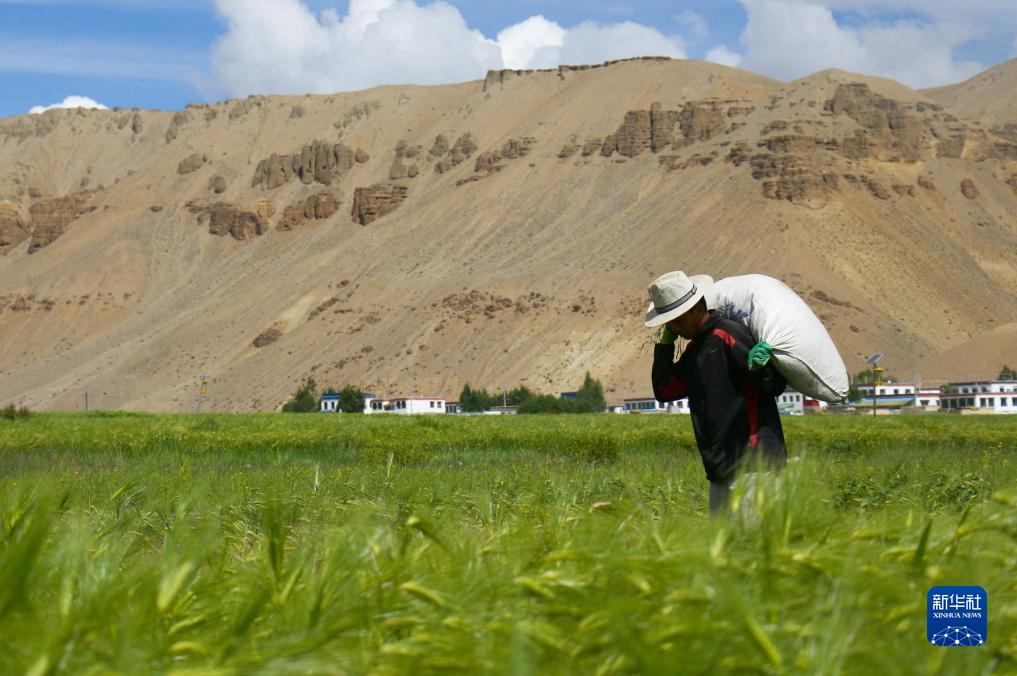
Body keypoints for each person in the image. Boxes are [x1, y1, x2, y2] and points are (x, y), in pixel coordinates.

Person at [645, 271, 787, 514]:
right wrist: (665, 346)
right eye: (669, 324)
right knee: (725, 539)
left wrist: (759, 369)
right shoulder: (695, 350)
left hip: (755, 465)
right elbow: (664, 390)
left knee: (755, 538)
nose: (675, 328)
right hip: (720, 469)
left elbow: (774, 386)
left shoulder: (728, 334)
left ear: (697, 308)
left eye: (677, 321)